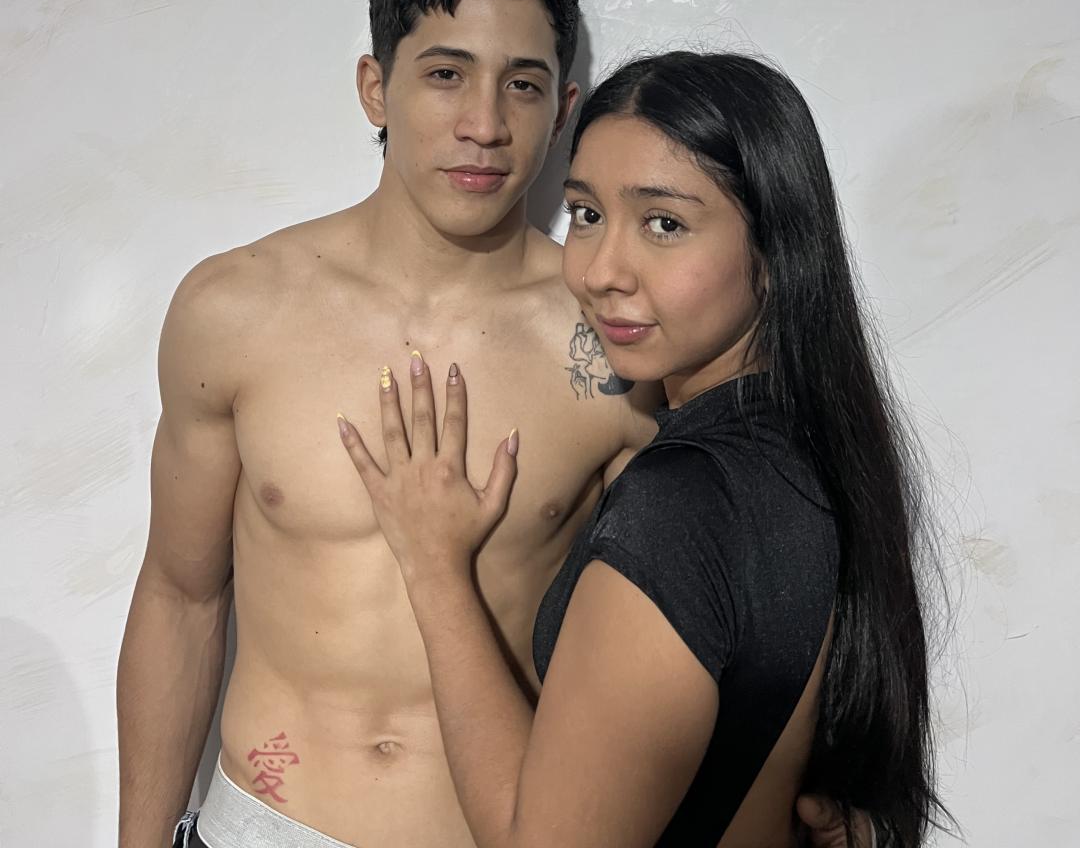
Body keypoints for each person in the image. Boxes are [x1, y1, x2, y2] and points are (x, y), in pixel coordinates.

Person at [117, 0, 873, 848]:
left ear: (563, 109)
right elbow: (180, 597)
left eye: (522, 84)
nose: (484, 126)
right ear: (375, 87)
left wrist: (822, 788)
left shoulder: (620, 350)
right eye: (446, 74)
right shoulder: (234, 310)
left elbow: (732, 589)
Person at [339, 51, 949, 847]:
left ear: (775, 251)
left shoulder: (682, 503)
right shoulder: (809, 451)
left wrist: (435, 569)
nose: (601, 271)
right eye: (586, 214)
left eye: (664, 224)